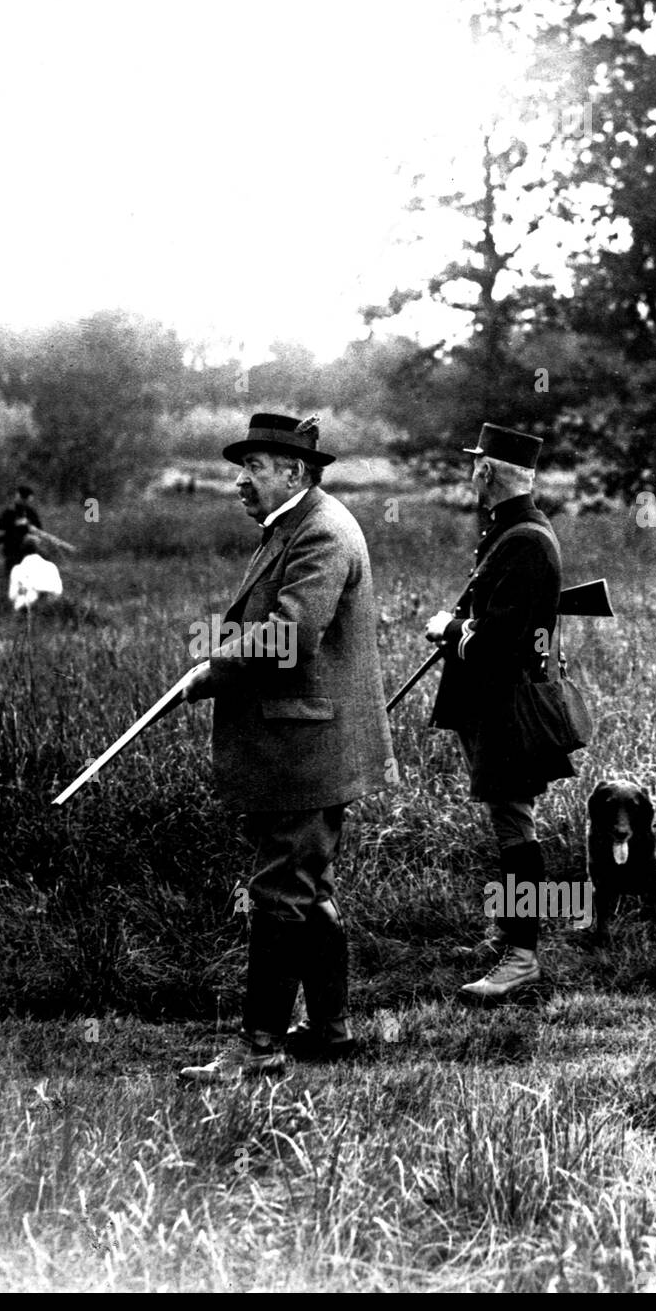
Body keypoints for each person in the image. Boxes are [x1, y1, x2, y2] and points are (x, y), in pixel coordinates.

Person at [178, 413, 394, 1082]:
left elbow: (293, 635)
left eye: (254, 469)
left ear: (293, 472)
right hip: (301, 745)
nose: (241, 482)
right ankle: (328, 1030)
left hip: (311, 749)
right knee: (305, 887)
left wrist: (213, 669)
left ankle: (260, 1047)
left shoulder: (322, 531)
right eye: (240, 469)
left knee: (279, 893)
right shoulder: (293, 526)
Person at [424, 423, 575, 1003]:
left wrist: (450, 628)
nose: (472, 474)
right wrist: (465, 625)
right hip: (497, 703)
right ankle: (513, 941)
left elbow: (500, 641)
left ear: (485, 471)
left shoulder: (524, 539)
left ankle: (521, 957)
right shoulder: (510, 532)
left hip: (510, 706)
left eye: (475, 465)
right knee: (509, 822)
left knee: (515, 826)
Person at [7, 534, 63, 611]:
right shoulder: (51, 566)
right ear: (39, 550)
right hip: (49, 609)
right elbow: (58, 591)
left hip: (25, 609)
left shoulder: (17, 569)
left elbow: (12, 596)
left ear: (22, 550)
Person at [0, 485, 42, 573]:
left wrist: (33, 528)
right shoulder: (10, 511)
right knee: (12, 570)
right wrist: (15, 523)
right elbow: (0, 526)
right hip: (12, 546)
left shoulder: (31, 512)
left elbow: (39, 527)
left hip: (29, 547)